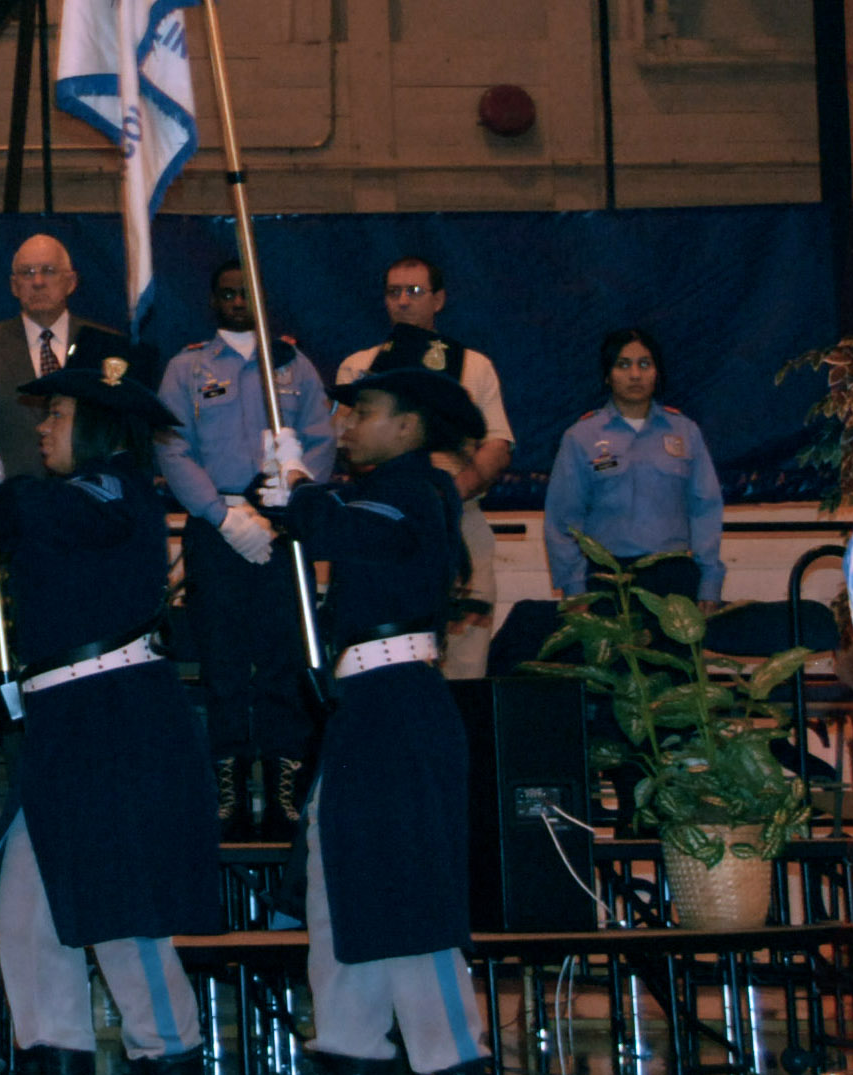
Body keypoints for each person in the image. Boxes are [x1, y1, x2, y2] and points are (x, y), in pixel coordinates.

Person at [0, 337, 227, 1075]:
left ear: (103, 427)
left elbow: (48, 515)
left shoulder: (118, 491)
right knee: (32, 917)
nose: (44, 428)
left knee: (123, 917)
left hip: (114, 720)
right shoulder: (80, 494)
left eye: (61, 414)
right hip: (67, 720)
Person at [258, 366, 502, 1075]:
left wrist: (299, 492)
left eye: (364, 411)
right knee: (340, 897)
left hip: (399, 705)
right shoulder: (383, 488)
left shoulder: (418, 490)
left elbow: (346, 529)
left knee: (410, 907)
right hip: (364, 707)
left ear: (409, 427)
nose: (347, 423)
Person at [156, 262, 335, 839]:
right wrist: (222, 514)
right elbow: (172, 448)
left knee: (283, 664)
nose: (237, 301)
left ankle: (285, 799)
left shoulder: (295, 366)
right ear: (212, 299)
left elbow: (322, 441)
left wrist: (289, 503)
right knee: (224, 666)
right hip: (216, 527)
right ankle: (229, 798)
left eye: (246, 292)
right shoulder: (188, 367)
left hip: (284, 526)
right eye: (227, 292)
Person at [333, 258, 513, 677]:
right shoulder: (359, 368)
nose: (402, 301)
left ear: (439, 300)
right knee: (383, 662)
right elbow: (348, 448)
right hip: (383, 525)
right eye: (394, 292)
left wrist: (449, 493)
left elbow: (498, 445)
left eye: (414, 292)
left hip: (460, 522)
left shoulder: (474, 365)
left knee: (465, 663)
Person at [543, 328, 723, 604]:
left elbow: (705, 510)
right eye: (623, 365)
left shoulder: (685, 433)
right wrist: (575, 589)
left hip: (673, 578)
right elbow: (564, 519)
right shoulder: (581, 437)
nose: (635, 375)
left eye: (644, 364)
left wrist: (709, 580)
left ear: (657, 372)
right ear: (607, 375)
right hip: (606, 577)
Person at [0, 235, 125, 484]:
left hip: (90, 501)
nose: (37, 282)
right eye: (27, 273)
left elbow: (123, 436)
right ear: (14, 286)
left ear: (71, 282)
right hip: (10, 504)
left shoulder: (106, 347)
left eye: (48, 271)